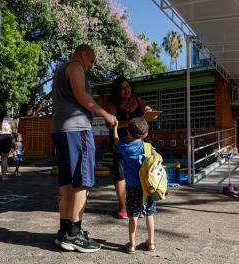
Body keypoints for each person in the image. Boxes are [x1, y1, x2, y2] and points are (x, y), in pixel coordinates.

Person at [50, 44, 117, 253]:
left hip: (60, 129)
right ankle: (74, 234)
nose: (91, 66)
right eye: (92, 60)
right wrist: (106, 115)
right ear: (84, 53)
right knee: (82, 181)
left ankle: (65, 230)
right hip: (76, 129)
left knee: (67, 182)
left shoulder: (61, 69)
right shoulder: (76, 66)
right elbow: (81, 95)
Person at [113, 117, 162, 254]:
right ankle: (151, 243)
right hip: (148, 187)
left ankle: (132, 245)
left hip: (132, 188)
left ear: (128, 132)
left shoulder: (126, 148)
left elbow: (116, 142)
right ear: (145, 134)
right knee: (150, 215)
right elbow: (160, 159)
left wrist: (115, 128)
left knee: (133, 216)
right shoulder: (147, 147)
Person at [107, 76, 152, 219]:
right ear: (117, 91)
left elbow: (147, 110)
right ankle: (123, 208)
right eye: (122, 88)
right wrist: (130, 122)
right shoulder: (112, 104)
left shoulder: (137, 100)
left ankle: (140, 206)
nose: (127, 90)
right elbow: (109, 124)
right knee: (120, 174)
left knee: (140, 171)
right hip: (120, 143)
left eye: (128, 87)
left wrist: (149, 112)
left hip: (137, 144)